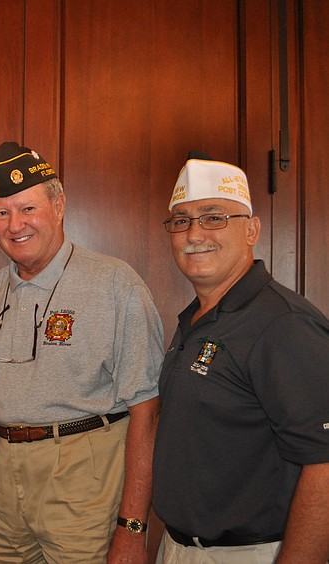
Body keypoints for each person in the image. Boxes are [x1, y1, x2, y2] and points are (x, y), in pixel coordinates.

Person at [0, 141, 164, 563]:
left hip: (83, 476)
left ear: (59, 206)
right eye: (1, 213)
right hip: (8, 478)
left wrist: (133, 528)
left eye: (27, 208)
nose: (14, 224)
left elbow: (147, 412)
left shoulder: (116, 284)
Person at [152, 153, 329, 563]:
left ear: (251, 230)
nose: (194, 233)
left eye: (214, 217)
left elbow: (324, 464)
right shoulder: (197, 319)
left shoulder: (282, 325)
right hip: (179, 548)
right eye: (181, 220)